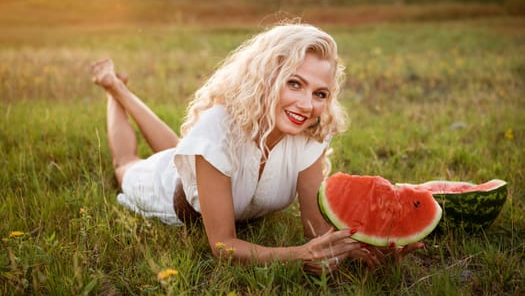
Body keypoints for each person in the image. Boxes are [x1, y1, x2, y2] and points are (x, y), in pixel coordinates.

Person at [91, 23, 421, 275]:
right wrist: (299, 256)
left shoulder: (311, 134)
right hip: (169, 192)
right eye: (295, 83)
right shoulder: (217, 130)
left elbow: (315, 230)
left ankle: (119, 89)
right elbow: (222, 245)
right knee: (128, 163)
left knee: (183, 150)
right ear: (267, 77)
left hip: (208, 162)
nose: (307, 105)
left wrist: (368, 247)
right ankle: (114, 89)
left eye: (320, 94)